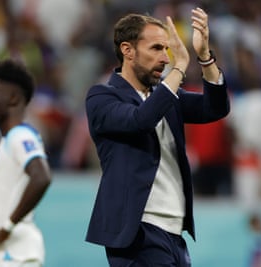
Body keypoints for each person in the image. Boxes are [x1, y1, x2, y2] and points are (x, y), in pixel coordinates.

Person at [84, 7, 230, 266]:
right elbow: (140, 120)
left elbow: (215, 107)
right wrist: (180, 68)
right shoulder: (102, 97)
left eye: (167, 49)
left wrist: (205, 57)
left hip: (174, 232)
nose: (165, 58)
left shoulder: (166, 97)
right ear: (127, 50)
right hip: (138, 231)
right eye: (156, 49)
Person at [0, 59, 52, 267]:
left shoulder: (21, 136)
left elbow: (41, 177)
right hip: (1, 257)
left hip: (15, 256)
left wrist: (7, 227)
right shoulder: (3, 146)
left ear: (13, 98)